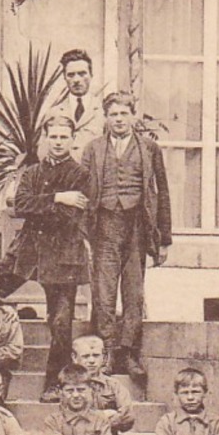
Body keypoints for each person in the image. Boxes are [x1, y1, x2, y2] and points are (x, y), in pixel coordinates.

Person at [81, 90, 172, 377]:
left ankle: (129, 353)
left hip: (137, 227)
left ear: (133, 115)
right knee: (104, 293)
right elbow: (83, 191)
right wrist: (84, 234)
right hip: (104, 226)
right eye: (113, 114)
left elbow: (162, 192)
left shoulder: (149, 148)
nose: (118, 119)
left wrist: (165, 238)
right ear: (105, 118)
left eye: (124, 113)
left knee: (133, 293)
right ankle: (107, 352)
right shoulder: (93, 149)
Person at [10, 114, 91, 400]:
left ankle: (55, 383)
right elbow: (19, 205)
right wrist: (57, 198)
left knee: (60, 321)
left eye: (63, 137)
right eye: (53, 136)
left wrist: (45, 205)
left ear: (72, 140)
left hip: (64, 255)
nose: (58, 142)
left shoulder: (80, 174)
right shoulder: (32, 173)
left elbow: (70, 216)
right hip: (30, 251)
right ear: (45, 138)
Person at [50, 49, 103, 160]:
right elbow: (44, 153)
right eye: (71, 75)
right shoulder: (54, 113)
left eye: (82, 73)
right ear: (64, 77)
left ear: (91, 75)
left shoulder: (103, 111)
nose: (76, 80)